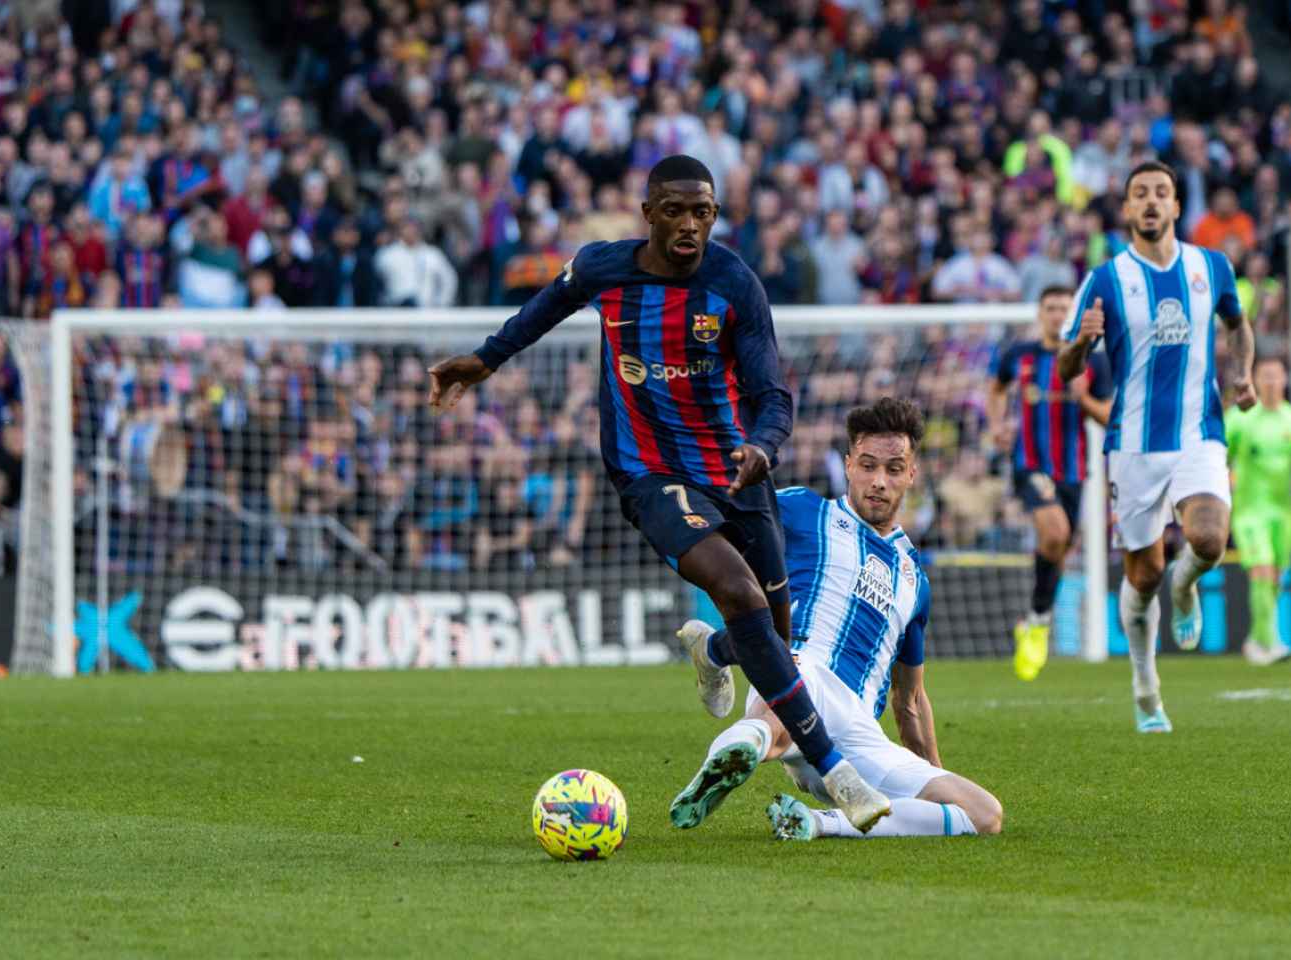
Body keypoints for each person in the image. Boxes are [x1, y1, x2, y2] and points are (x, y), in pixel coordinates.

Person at [425, 155, 889, 831]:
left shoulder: (735, 283)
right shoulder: (603, 268)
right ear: (648, 213)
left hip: (735, 468)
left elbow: (772, 393)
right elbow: (544, 308)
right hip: (647, 472)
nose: (689, 225)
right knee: (737, 593)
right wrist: (486, 359)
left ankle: (714, 652)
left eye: (703, 212)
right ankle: (837, 771)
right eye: (675, 210)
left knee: (773, 644)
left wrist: (764, 446)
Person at [668, 398, 1003, 840]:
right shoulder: (803, 511)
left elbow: (911, 701)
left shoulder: (914, 579)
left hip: (860, 735)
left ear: (912, 474)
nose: (878, 482)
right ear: (847, 465)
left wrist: (929, 774)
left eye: (893, 469)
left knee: (983, 814)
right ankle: (741, 745)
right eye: (867, 466)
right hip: (798, 674)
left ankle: (815, 822)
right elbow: (725, 517)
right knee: (793, 695)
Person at [1057, 161, 1256, 734]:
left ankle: (1187, 586)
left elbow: (1238, 325)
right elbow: (1066, 364)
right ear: (1126, 210)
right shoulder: (1104, 279)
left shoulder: (1211, 265)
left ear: (1175, 207)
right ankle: (1146, 690)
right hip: (1134, 445)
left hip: (1199, 432)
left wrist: (1240, 374)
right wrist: (1083, 343)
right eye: (1139, 194)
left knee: (1210, 538)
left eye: (1161, 193)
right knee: (1142, 577)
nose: (1150, 202)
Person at [986, 285, 1112, 681]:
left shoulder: (1094, 360)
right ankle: (1038, 621)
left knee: (1057, 545)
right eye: (1051, 307)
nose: (1058, 315)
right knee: (1055, 530)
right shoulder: (1019, 355)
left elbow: (1108, 416)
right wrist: (997, 425)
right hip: (1030, 463)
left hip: (1073, 472)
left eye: (1064, 308)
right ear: (1040, 313)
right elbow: (996, 386)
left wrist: (1084, 400)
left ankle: (1036, 620)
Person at [1224, 356, 1291, 665]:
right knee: (1262, 568)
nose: (1270, 382)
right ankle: (1272, 643)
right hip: (1249, 510)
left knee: (1276, 576)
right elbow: (1219, 458)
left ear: (1285, 380)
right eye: (1264, 376)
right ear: (1254, 379)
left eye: (1275, 376)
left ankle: (1256, 639)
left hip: (1283, 512)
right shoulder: (1239, 419)